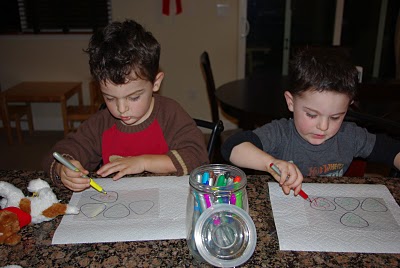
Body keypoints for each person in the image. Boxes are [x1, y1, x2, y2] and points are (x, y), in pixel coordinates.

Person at [42, 19, 209, 192]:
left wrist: (142, 162)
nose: (121, 109)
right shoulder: (102, 123)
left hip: (166, 201)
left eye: (134, 97)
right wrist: (64, 170)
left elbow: (197, 156)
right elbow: (59, 153)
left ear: (156, 83)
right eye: (110, 98)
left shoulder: (170, 114)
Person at [221, 47, 400, 196]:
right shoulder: (280, 133)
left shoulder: (350, 136)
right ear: (291, 102)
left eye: (336, 117)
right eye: (312, 115)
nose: (323, 126)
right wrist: (271, 163)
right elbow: (232, 147)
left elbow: (392, 150)